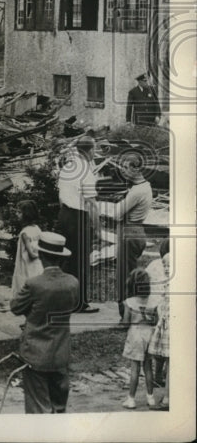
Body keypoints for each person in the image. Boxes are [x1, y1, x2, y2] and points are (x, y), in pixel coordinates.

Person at [9, 231, 79, 413]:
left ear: (40, 255)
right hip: (61, 352)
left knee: (38, 409)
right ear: (61, 258)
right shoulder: (73, 282)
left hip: (36, 352)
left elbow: (15, 307)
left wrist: (32, 313)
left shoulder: (34, 284)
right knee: (59, 406)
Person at [55, 136, 99, 312]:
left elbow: (60, 196)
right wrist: (97, 226)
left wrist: (64, 215)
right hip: (78, 217)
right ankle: (79, 302)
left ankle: (62, 298)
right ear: (89, 151)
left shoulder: (67, 168)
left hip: (64, 214)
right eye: (94, 150)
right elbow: (91, 203)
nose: (95, 153)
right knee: (80, 262)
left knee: (65, 259)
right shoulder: (86, 172)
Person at [110, 167, 153, 317]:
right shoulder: (144, 186)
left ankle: (126, 314)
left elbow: (116, 214)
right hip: (137, 229)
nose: (123, 172)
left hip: (129, 232)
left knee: (124, 276)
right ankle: (133, 310)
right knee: (130, 273)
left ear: (135, 169)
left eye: (126, 169)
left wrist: (120, 202)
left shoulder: (137, 191)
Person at [120, 268, 158, 409]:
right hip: (149, 334)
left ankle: (131, 399)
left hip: (135, 334)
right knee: (148, 367)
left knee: (135, 368)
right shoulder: (153, 302)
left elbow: (125, 322)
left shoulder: (129, 302)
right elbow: (155, 321)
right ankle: (151, 397)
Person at [145, 239, 170, 391]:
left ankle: (159, 375)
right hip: (164, 310)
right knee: (167, 344)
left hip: (154, 307)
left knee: (159, 343)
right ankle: (164, 375)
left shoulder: (154, 264)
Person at [11, 200, 44, 298]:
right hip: (38, 265)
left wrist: (37, 255)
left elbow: (31, 254)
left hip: (26, 265)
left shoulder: (24, 233)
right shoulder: (37, 229)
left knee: (24, 286)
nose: (17, 214)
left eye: (19, 212)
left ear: (26, 215)